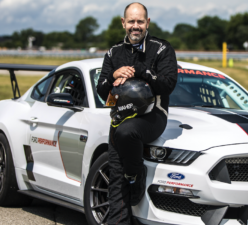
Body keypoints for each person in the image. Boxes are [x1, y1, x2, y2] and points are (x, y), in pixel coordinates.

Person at [96, 2, 177, 224]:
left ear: (147, 23)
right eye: (131, 21)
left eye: (140, 21)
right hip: (120, 116)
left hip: (153, 116)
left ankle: (135, 174)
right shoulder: (113, 52)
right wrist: (113, 75)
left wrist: (142, 72)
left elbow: (168, 84)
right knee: (116, 180)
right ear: (123, 23)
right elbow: (102, 90)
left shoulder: (162, 48)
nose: (135, 26)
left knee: (126, 133)